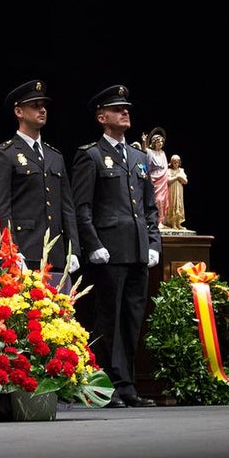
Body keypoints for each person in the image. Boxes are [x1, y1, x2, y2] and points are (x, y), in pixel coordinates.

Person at [71, 84, 161, 408]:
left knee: (132, 320)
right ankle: (103, 387)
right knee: (107, 320)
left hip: (137, 250)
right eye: (117, 108)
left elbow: (150, 207)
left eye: (127, 108)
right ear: (101, 117)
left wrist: (153, 243)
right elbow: (82, 208)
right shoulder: (91, 155)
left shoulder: (138, 157)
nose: (125, 112)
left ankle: (127, 385)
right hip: (108, 252)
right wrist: (92, 244)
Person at [0, 79, 79, 272]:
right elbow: (0, 208)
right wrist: (11, 250)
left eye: (43, 105)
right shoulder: (5, 154)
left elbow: (67, 207)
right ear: (19, 112)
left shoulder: (55, 155)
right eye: (35, 106)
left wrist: (73, 249)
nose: (42, 110)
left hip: (56, 254)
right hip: (26, 250)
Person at [144, 128, 171, 228]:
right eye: (159, 142)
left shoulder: (163, 153)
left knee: (162, 199)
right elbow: (144, 151)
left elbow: (165, 166)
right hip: (154, 179)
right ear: (154, 143)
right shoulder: (150, 152)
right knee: (156, 200)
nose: (161, 144)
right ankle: (153, 220)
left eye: (162, 142)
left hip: (163, 180)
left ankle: (161, 221)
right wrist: (144, 141)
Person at [168, 153, 188, 230]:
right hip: (172, 191)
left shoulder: (181, 170)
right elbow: (168, 181)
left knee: (179, 205)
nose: (176, 164)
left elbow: (185, 181)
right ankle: (173, 224)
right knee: (173, 205)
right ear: (171, 163)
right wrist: (177, 177)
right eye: (174, 162)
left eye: (177, 162)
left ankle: (178, 223)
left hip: (179, 191)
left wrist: (180, 177)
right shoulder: (169, 171)